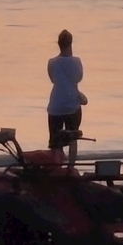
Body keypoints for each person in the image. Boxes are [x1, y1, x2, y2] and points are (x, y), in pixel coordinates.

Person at [47, 29, 86, 157]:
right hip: (72, 104)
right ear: (71, 43)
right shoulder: (77, 61)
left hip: (56, 105)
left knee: (55, 140)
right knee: (73, 137)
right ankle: (71, 167)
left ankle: (56, 166)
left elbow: (53, 80)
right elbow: (78, 78)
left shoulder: (52, 63)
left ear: (58, 44)